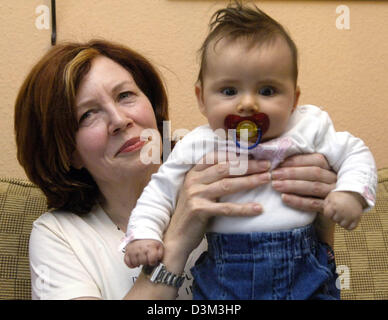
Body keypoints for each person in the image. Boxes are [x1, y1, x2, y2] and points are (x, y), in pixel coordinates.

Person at [15, 39, 338, 300]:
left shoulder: (221, 161)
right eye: (87, 115)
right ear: (67, 152)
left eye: (125, 95)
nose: (119, 120)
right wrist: (180, 234)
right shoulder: (58, 236)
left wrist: (318, 210)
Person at [123, 2, 377, 300]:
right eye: (229, 91)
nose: (248, 104)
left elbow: (355, 153)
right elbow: (160, 193)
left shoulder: (309, 126)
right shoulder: (198, 143)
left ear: (293, 98)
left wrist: (349, 193)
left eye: (267, 91)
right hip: (225, 272)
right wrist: (144, 234)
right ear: (201, 98)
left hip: (304, 265)